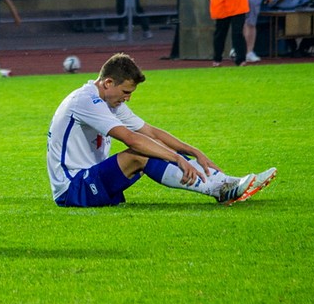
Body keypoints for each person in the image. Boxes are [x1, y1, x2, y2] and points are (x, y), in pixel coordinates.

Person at [47, 53, 276, 209]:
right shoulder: (84, 101)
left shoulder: (110, 102)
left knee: (154, 147)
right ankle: (221, 189)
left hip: (90, 179)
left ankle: (227, 183)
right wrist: (176, 158)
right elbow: (131, 139)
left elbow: (151, 133)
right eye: (126, 91)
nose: (128, 98)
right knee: (140, 153)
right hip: (72, 188)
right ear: (108, 83)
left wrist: (193, 151)